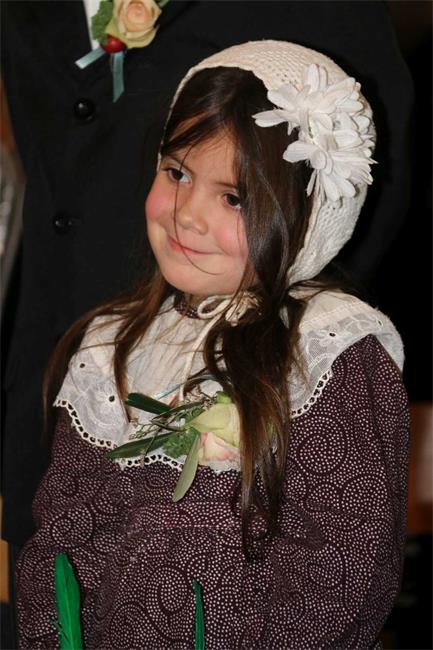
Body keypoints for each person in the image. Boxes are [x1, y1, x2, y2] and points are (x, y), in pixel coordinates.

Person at [15, 41, 409, 649]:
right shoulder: (113, 343)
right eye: (177, 173)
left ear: (309, 217)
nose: (186, 215)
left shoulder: (327, 347)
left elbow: (344, 565)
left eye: (233, 197)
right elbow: (62, 537)